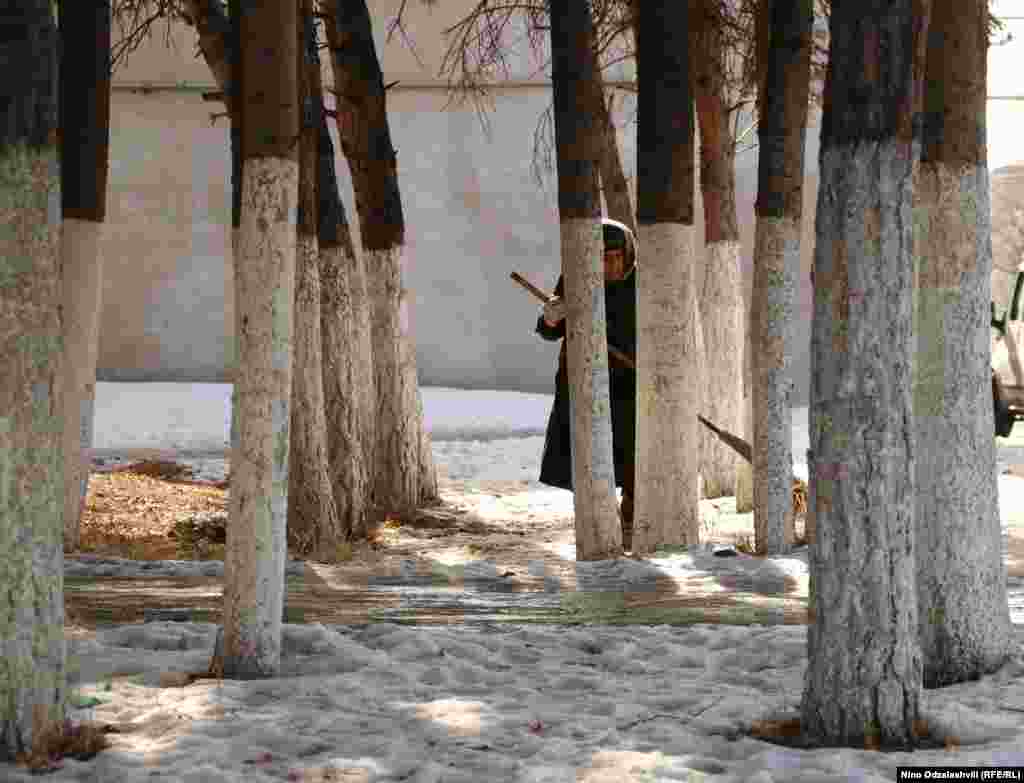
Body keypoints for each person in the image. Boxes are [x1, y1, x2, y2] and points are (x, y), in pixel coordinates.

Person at [535, 218, 638, 551]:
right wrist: (552, 315)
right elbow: (551, 330)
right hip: (584, 383)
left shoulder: (643, 285)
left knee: (633, 453)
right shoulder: (577, 280)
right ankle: (599, 515)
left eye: (615, 257)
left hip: (630, 386)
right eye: (601, 257)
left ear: (628, 256)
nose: (608, 264)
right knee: (590, 454)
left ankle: (632, 515)